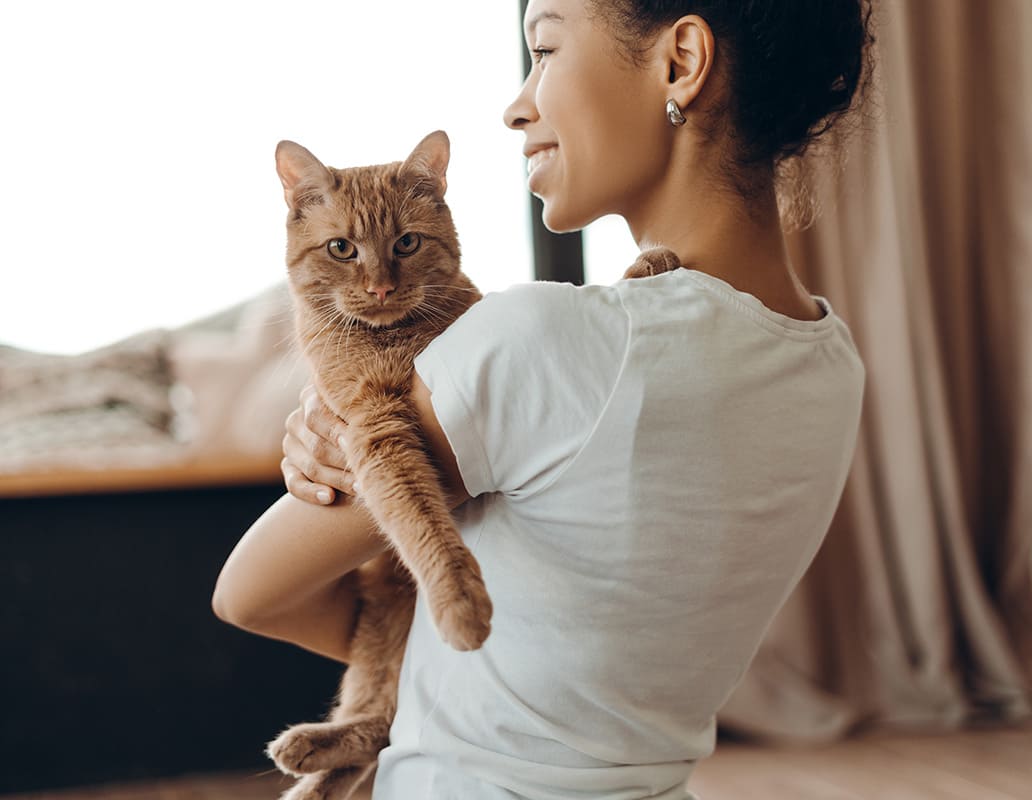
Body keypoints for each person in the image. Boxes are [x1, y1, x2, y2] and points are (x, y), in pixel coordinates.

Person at [212, 1, 871, 797]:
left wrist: (330, 460)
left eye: (546, 48)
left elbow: (247, 593)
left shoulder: (538, 340)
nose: (517, 104)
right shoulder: (832, 363)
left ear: (682, 61)